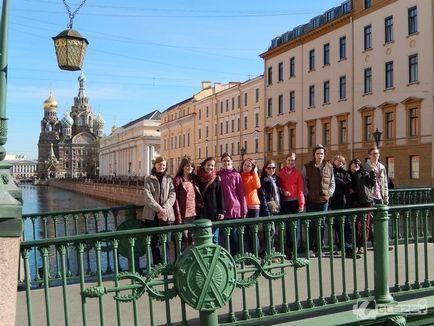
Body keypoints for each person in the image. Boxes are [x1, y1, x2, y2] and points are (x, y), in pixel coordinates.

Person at [302, 144, 335, 258]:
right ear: (314, 155)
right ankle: (310, 248)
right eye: (317, 153)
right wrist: (308, 194)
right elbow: (304, 183)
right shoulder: (307, 167)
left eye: (321, 153)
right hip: (312, 201)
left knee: (321, 225)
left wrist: (329, 194)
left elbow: (332, 183)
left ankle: (319, 248)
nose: (320, 155)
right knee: (311, 225)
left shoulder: (329, 167)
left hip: (324, 201)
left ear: (324, 154)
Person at [142, 156, 176, 265]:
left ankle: (165, 265)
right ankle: (157, 266)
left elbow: (172, 194)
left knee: (166, 241)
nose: (161, 166)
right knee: (154, 242)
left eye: (163, 165)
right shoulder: (148, 178)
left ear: (166, 166)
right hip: (151, 215)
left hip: (167, 214)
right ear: (155, 165)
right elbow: (148, 196)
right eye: (159, 164)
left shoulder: (169, 178)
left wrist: (164, 208)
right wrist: (159, 209)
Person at [217, 153, 247, 255]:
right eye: (224, 161)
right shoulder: (218, 175)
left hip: (235, 208)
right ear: (222, 162)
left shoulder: (236, 175)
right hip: (223, 208)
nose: (226, 162)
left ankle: (236, 255)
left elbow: (241, 193)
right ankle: (227, 255)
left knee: (234, 234)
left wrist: (244, 209)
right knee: (224, 234)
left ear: (232, 162)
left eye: (228, 161)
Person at [173, 156, 203, 249]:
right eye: (187, 166)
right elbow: (175, 199)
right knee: (184, 241)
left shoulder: (194, 179)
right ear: (182, 167)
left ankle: (192, 260)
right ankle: (183, 261)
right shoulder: (178, 180)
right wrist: (178, 216)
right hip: (183, 215)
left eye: (191, 166)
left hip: (193, 213)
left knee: (193, 240)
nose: (190, 168)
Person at [278, 153, 305, 259]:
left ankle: (296, 249)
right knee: (288, 227)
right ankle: (288, 250)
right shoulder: (281, 172)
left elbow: (300, 189)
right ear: (286, 161)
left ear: (295, 161)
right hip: (286, 202)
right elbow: (279, 186)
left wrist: (301, 204)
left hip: (295, 201)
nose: (291, 162)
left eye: (293, 160)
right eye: (289, 160)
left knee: (296, 227)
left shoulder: (298, 173)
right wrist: (284, 191)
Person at [348, 158, 376, 256]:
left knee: (366, 225)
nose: (356, 165)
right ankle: (356, 245)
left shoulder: (363, 173)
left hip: (366, 201)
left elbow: (371, 183)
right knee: (357, 225)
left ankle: (362, 245)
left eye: (358, 164)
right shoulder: (348, 174)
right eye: (354, 163)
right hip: (355, 202)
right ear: (350, 164)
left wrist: (372, 172)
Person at [196, 157, 225, 244]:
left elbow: (220, 196)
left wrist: (221, 211)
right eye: (208, 165)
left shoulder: (216, 178)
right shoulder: (197, 178)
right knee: (203, 237)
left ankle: (214, 257)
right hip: (201, 211)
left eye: (212, 165)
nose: (210, 167)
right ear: (204, 165)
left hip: (214, 212)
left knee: (215, 238)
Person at [328, 155, 352, 252]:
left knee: (346, 225)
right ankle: (339, 244)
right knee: (337, 225)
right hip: (334, 201)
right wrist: (342, 182)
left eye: (342, 162)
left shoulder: (345, 172)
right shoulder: (331, 171)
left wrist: (339, 180)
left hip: (344, 201)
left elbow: (348, 183)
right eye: (338, 161)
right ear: (334, 161)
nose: (340, 163)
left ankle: (348, 246)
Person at [259, 160, 281, 260]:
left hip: (276, 208)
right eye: (269, 168)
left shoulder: (276, 179)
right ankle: (269, 254)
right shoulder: (263, 180)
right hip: (268, 209)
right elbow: (262, 196)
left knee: (273, 232)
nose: (272, 170)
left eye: (273, 168)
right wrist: (266, 210)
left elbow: (278, 192)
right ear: (265, 169)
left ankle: (269, 252)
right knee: (269, 231)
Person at [240, 158, 261, 253]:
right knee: (246, 232)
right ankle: (249, 253)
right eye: (245, 165)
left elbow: (258, 185)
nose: (246, 167)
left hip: (253, 206)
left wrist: (255, 172)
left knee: (254, 231)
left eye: (249, 166)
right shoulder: (239, 175)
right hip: (243, 206)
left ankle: (256, 252)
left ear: (253, 167)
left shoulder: (253, 175)